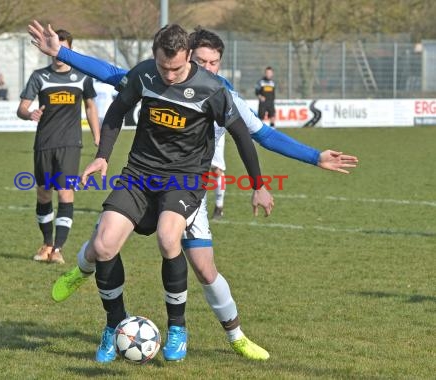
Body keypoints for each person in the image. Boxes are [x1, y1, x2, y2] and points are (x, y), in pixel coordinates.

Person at [29, 21, 359, 362]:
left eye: (214, 62)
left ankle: (233, 336)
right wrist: (62, 53)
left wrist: (312, 158)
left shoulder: (220, 91)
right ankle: (88, 278)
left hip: (188, 182)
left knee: (199, 264)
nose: (205, 67)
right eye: (204, 60)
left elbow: (261, 136)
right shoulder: (151, 74)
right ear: (189, 54)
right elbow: (111, 73)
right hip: (144, 174)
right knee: (104, 242)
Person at [17, 29, 100, 264]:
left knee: (65, 192)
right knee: (44, 193)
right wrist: (29, 113)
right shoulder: (39, 76)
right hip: (44, 143)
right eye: (53, 47)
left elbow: (91, 107)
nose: (57, 53)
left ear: (69, 50)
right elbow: (22, 108)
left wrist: (98, 135)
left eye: (61, 48)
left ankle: (58, 249)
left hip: (70, 144)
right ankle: (47, 243)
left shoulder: (83, 77)